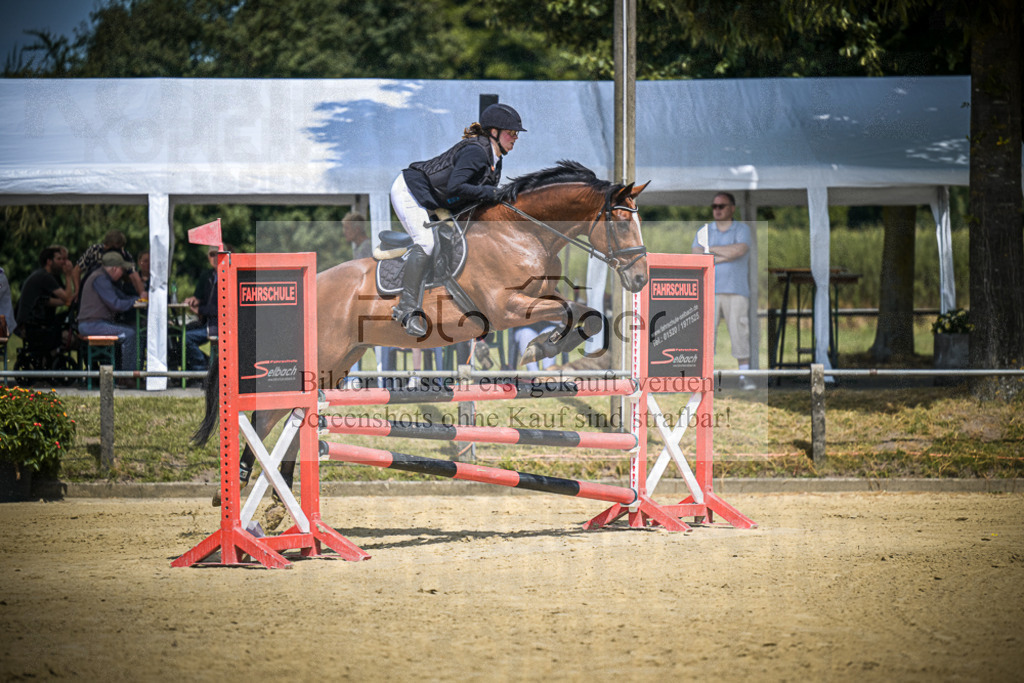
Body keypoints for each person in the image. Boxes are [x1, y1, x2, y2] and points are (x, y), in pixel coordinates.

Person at [389, 102, 526, 337]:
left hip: (436, 201)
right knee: (426, 243)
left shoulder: (495, 159)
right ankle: (406, 309)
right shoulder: (476, 152)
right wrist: (493, 194)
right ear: (494, 132)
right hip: (411, 191)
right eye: (510, 133)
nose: (515, 138)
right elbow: (456, 187)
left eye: (515, 134)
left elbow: (474, 198)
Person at [692, 192, 756, 391]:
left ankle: (745, 376)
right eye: (714, 206)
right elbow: (696, 255)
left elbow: (740, 250)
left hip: (736, 291)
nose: (717, 210)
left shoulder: (742, 229)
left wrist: (711, 250)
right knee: (706, 335)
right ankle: (705, 378)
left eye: (721, 206)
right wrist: (725, 253)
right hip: (709, 291)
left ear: (732, 208)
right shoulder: (704, 229)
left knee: (740, 333)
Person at [77, 251, 140, 373]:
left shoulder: (102, 277)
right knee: (131, 334)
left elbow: (120, 296)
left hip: (94, 324)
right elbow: (116, 304)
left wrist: (134, 299)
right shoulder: (100, 279)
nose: (123, 274)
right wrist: (135, 301)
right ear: (115, 268)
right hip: (93, 325)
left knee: (132, 330)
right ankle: (127, 376)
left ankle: (125, 373)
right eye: (122, 270)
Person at [14, 246, 75, 359]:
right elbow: (67, 298)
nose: (63, 262)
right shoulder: (45, 277)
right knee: (66, 328)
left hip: (28, 324)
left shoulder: (43, 276)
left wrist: (69, 299)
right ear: (49, 261)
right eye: (59, 259)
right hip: (33, 326)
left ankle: (49, 358)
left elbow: (53, 301)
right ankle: (53, 354)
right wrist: (68, 275)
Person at [72, 229, 146, 300]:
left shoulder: (125, 255)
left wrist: (143, 297)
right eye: (112, 249)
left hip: (112, 291)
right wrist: (78, 291)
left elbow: (136, 278)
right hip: (92, 290)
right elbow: (77, 270)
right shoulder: (95, 250)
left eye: (117, 249)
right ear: (106, 244)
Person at [182, 245, 221, 372]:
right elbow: (203, 298)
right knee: (178, 333)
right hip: (207, 322)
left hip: (218, 325)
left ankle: (203, 370)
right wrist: (195, 299)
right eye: (211, 254)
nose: (215, 258)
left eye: (218, 253)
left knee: (186, 338)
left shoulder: (228, 276)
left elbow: (221, 308)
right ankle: (207, 367)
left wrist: (199, 310)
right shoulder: (208, 275)